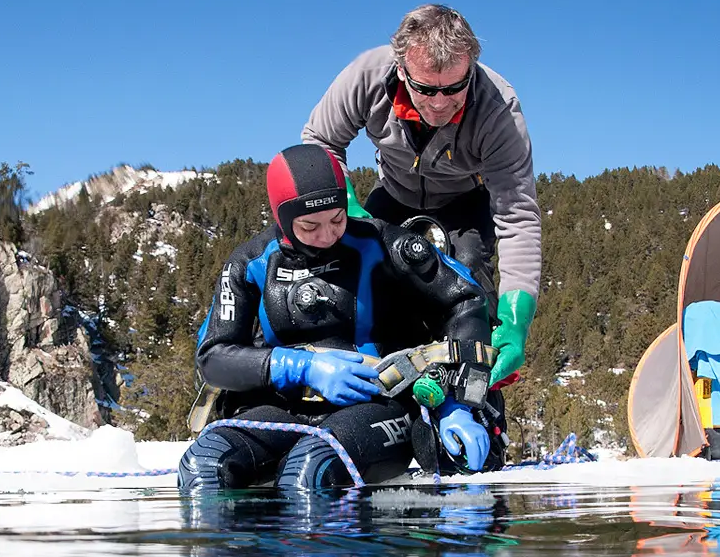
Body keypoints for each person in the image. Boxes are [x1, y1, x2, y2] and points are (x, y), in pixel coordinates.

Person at [179, 143, 495, 492]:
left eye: (337, 219)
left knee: (311, 472)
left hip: (376, 405)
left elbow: (466, 300)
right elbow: (213, 357)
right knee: (202, 467)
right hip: (280, 407)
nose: (327, 235)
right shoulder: (250, 264)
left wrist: (458, 402)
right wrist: (300, 367)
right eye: (310, 225)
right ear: (283, 219)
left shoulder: (380, 242)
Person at [302, 3, 541, 389]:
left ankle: (475, 401)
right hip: (392, 194)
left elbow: (517, 217)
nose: (440, 103)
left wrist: (516, 322)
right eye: (426, 88)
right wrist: (348, 208)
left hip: (464, 202)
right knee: (362, 273)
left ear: (471, 69)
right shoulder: (366, 75)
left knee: (472, 288)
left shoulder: (500, 109)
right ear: (401, 69)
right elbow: (321, 143)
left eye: (455, 87)